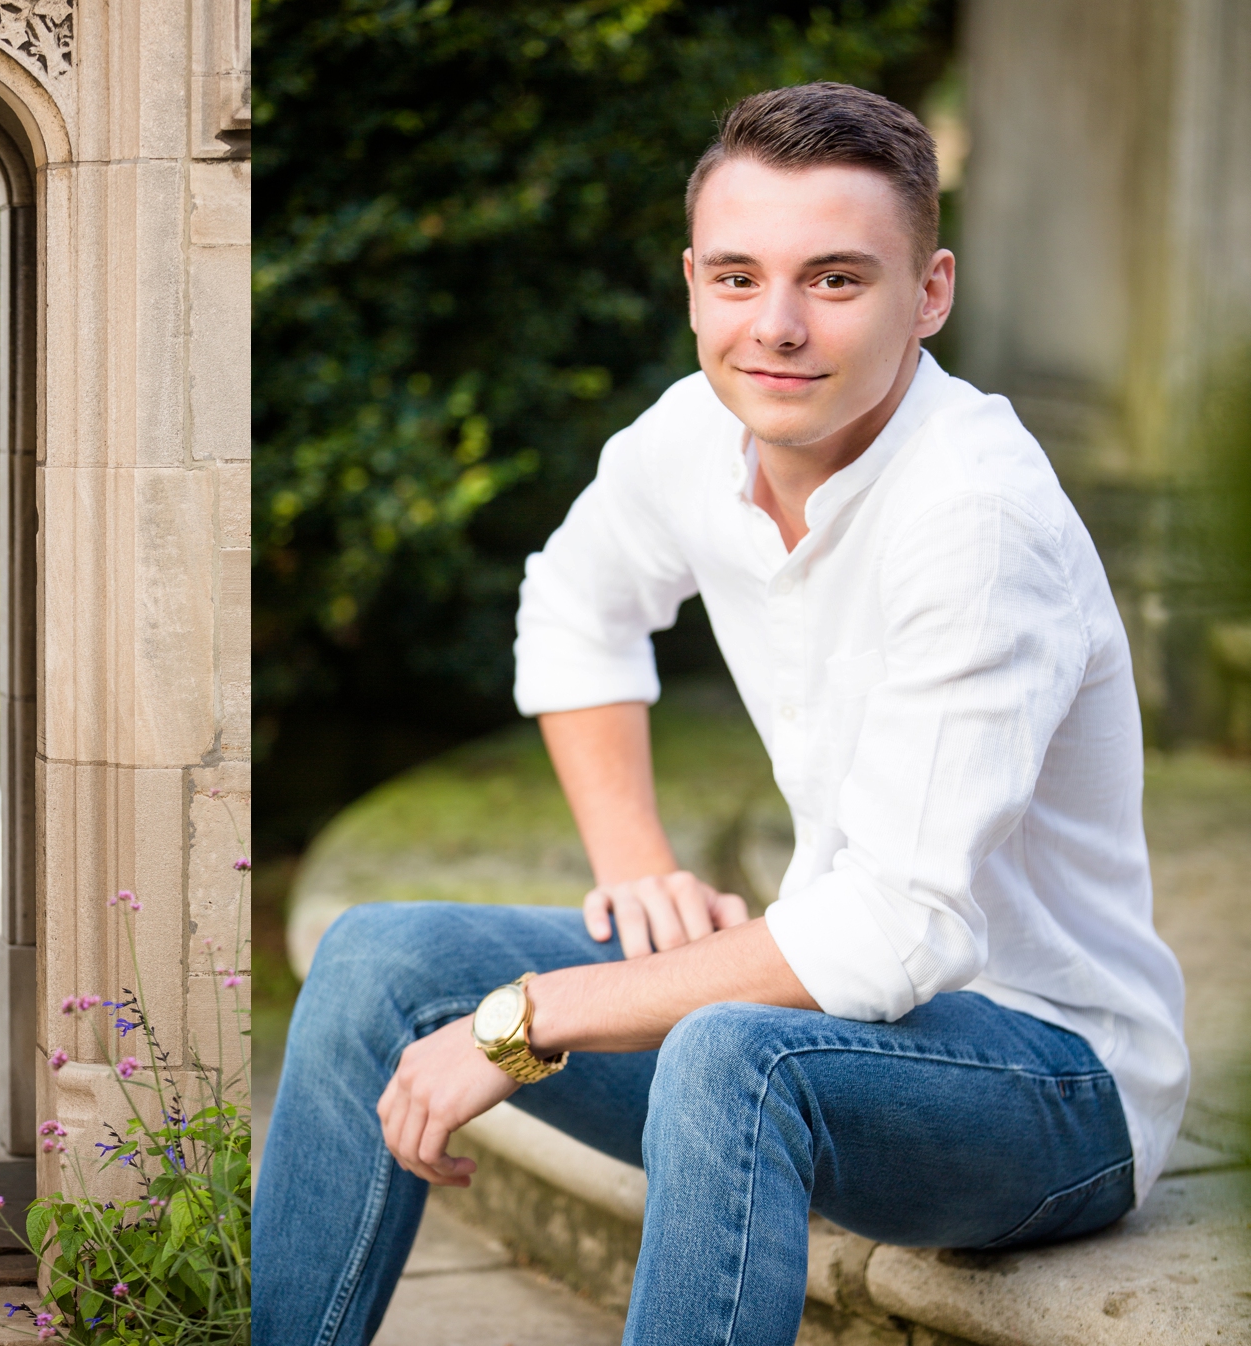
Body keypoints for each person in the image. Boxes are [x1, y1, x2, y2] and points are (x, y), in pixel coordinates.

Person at [251, 83, 1189, 1346]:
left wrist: (527, 1019)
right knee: (377, 960)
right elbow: (573, 605)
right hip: (825, 1024)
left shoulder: (975, 519)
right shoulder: (699, 430)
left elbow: (889, 932)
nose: (778, 327)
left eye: (836, 281)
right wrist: (633, 871)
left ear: (930, 293)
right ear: (693, 282)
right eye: (739, 277)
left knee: (728, 1053)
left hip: (1048, 1088)